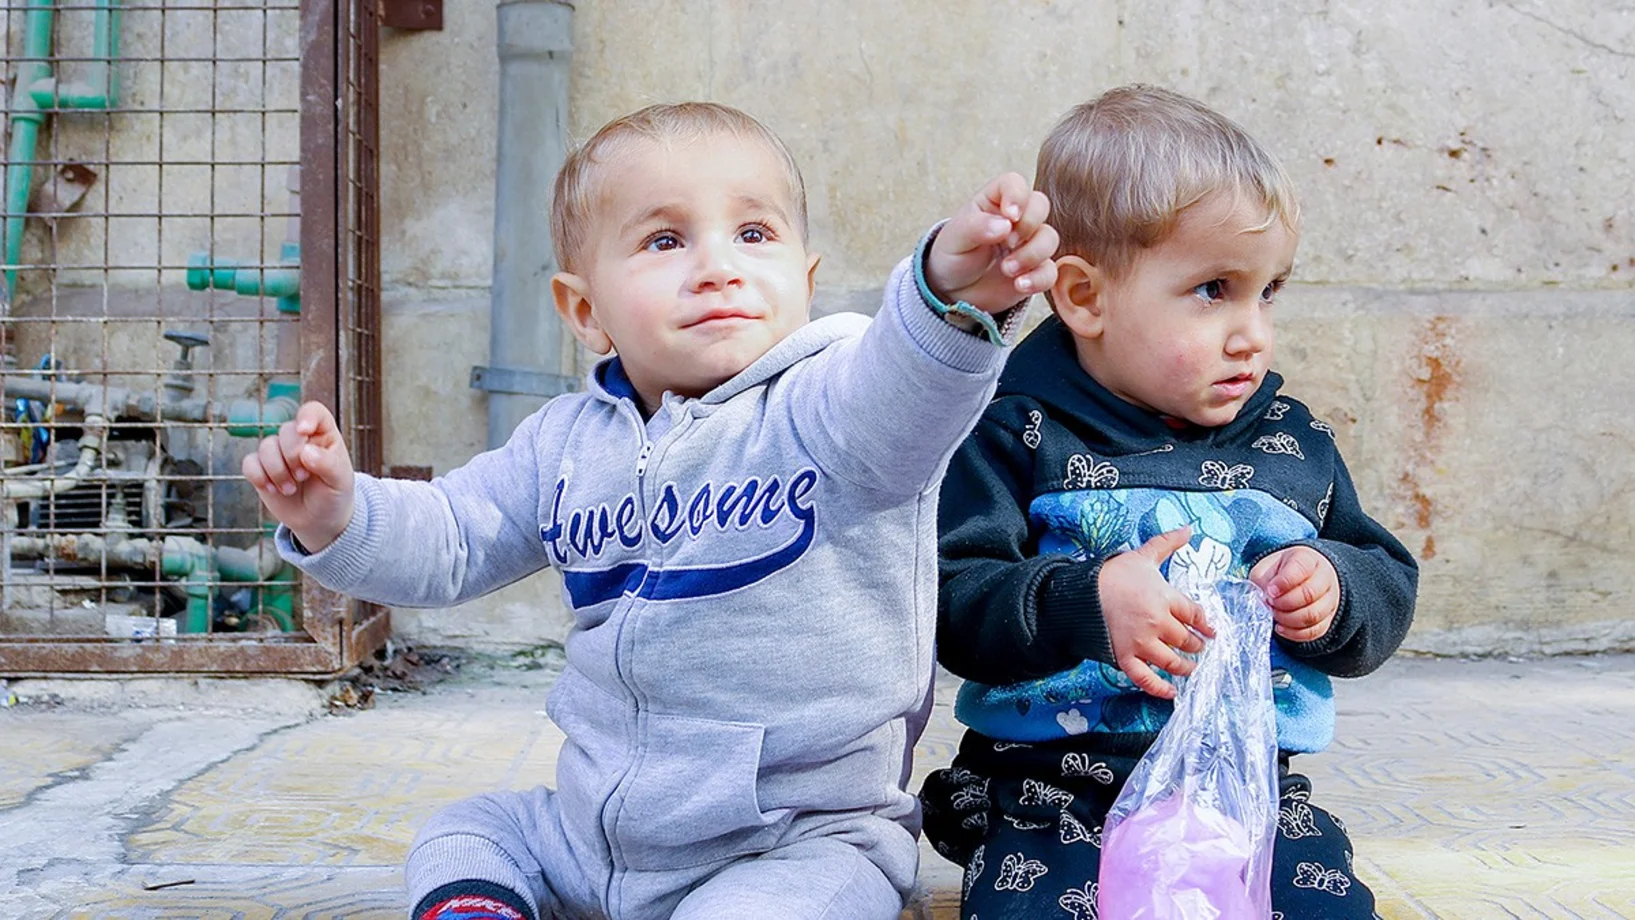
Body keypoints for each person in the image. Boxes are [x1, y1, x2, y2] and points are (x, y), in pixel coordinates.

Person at [242, 101, 1059, 920]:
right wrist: (335, 515)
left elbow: (905, 387)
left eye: (754, 234)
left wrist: (950, 298)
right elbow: (454, 537)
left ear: (805, 283)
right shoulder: (562, 445)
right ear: (585, 311)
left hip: (797, 842)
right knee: (467, 830)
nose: (716, 267)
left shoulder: (829, 407)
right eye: (664, 241)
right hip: (594, 837)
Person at [919, 85, 1418, 919]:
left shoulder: (1291, 445)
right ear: (1084, 297)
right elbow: (950, 599)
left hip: (1244, 789)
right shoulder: (1015, 432)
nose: (1252, 331)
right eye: (1213, 290)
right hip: (1052, 789)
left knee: (1317, 901)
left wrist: (1331, 587)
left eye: (1269, 291)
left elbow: (1385, 577)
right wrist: (1085, 603)